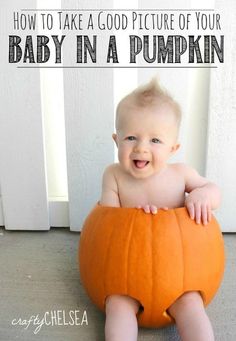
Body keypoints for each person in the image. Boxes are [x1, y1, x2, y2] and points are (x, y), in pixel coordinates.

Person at [99, 78, 220, 341]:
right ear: (116, 140)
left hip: (178, 274)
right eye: (131, 137)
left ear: (173, 148)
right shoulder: (114, 176)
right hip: (126, 271)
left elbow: (214, 191)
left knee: (191, 304)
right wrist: (133, 218)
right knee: (117, 306)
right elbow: (106, 224)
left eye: (155, 140)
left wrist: (201, 195)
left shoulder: (181, 175)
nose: (141, 147)